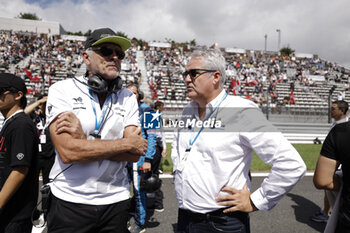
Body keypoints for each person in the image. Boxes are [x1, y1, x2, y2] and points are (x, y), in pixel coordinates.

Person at [171, 48, 306, 233]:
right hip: (185, 217)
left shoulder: (240, 110)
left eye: (193, 73)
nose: (186, 79)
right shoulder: (188, 110)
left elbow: (291, 163)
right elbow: (179, 147)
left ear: (215, 77)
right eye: (185, 73)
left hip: (221, 222)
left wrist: (256, 200)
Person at [45, 28, 148, 233]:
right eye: (107, 51)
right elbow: (68, 152)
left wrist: (84, 140)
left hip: (116, 200)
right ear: (86, 57)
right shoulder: (62, 90)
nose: (114, 57)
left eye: (119, 54)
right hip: (70, 201)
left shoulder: (127, 96)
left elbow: (135, 154)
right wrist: (124, 143)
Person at [0, 73, 39, 233]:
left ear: (18, 95)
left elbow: (19, 170)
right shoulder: (11, 123)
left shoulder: (21, 125)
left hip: (14, 212)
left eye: (1, 91)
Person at [311, 100, 349, 223]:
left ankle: (328, 213)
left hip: (339, 165)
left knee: (329, 185)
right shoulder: (336, 124)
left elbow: (321, 181)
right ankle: (327, 211)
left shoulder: (343, 127)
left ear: (342, 110)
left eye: (333, 109)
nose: (330, 111)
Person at [127, 84, 157, 233]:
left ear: (139, 95)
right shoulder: (120, 110)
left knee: (139, 192)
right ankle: (123, 219)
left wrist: (148, 159)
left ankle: (140, 223)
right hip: (122, 158)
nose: (131, 96)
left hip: (138, 158)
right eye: (128, 93)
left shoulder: (148, 110)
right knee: (122, 191)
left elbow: (152, 136)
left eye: (134, 93)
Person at [24, 94, 55, 184]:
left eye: (47, 104)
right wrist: (38, 102)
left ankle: (45, 199)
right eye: (43, 104)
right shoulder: (34, 117)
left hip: (50, 156)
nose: (45, 106)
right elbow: (24, 112)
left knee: (48, 184)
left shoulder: (53, 117)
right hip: (35, 155)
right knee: (31, 183)